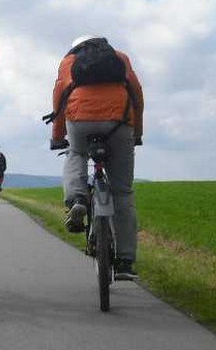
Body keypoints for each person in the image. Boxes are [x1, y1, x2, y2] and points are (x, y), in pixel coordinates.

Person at [48, 35, 144, 280]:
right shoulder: (120, 58)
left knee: (76, 154)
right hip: (119, 123)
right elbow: (137, 97)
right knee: (122, 192)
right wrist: (136, 133)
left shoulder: (68, 62)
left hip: (79, 122)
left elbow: (59, 99)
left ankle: (77, 198)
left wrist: (57, 136)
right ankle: (124, 261)